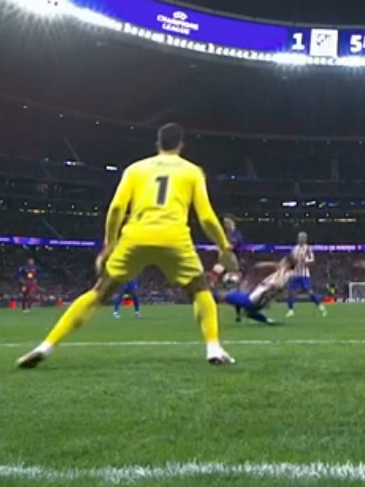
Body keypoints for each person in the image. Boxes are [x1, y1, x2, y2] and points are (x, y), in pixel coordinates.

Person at [16, 124, 238, 368]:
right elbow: (206, 217)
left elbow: (116, 209)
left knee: (98, 292)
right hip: (174, 236)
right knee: (200, 290)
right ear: (181, 144)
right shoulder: (192, 171)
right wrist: (224, 247)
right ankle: (213, 347)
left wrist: (109, 245)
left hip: (135, 235)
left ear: (157, 143)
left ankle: (46, 346)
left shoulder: (136, 169)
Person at [220, 255, 296, 325]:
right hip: (259, 300)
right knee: (247, 312)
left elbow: (279, 284)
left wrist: (270, 286)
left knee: (225, 295)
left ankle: (214, 300)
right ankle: (269, 321)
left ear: (287, 263)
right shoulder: (283, 271)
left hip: (254, 299)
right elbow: (274, 267)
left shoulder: (284, 273)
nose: (281, 261)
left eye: (283, 260)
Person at [285, 231, 326, 318]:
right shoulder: (295, 248)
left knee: (309, 291)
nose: (301, 239)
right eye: (300, 237)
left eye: (303, 237)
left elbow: (312, 260)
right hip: (295, 274)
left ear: (305, 239)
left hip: (304, 275)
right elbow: (291, 259)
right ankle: (291, 310)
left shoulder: (308, 248)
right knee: (290, 292)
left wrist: (306, 262)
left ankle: (320, 306)